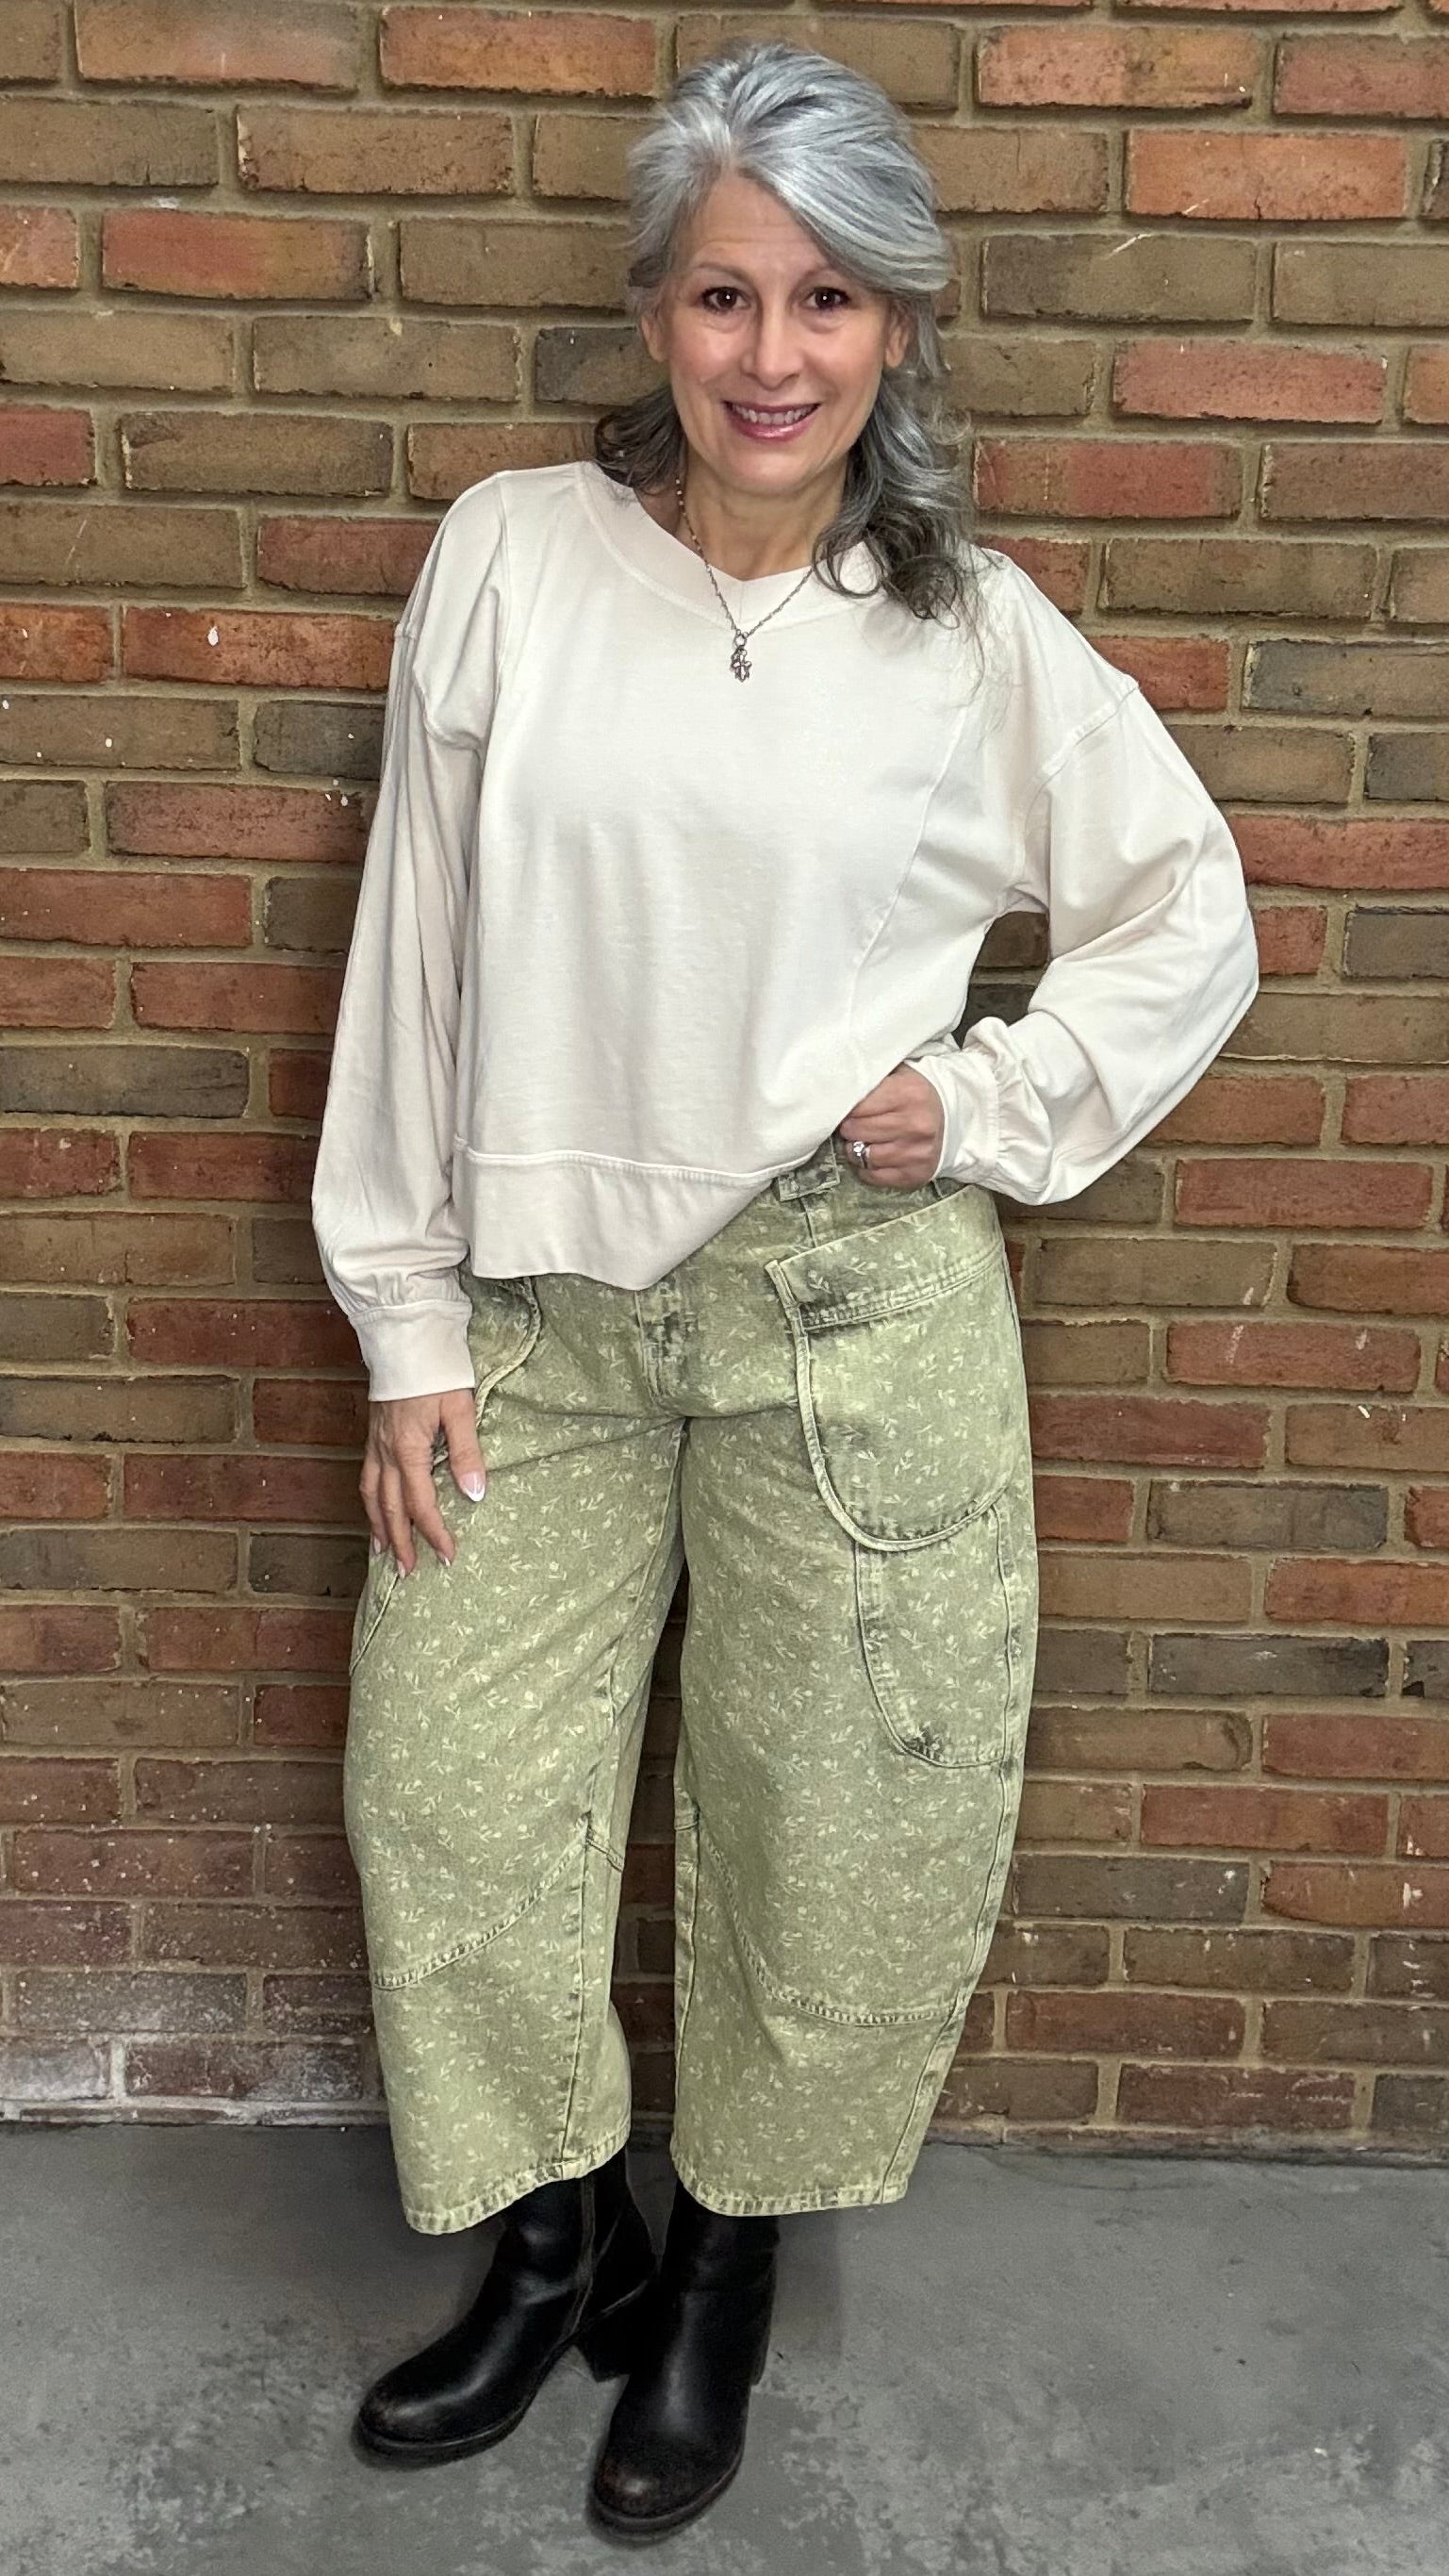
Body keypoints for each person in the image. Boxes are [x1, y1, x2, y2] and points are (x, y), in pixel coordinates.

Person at [310, 36, 1260, 2543]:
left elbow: (1188, 914)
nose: (767, 354)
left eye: (825, 297)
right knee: (454, 1799)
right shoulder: (511, 553)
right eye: (723, 291)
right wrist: (403, 1318)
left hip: (850, 1326)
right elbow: (413, 954)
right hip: (539, 1315)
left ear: (898, 330)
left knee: (822, 1830)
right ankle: (554, 2235)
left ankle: (719, 2267)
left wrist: (995, 1097)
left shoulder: (969, 633)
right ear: (654, 309)